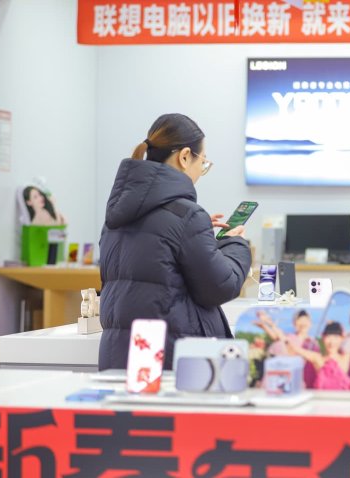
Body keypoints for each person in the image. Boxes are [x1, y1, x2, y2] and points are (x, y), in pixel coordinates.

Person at [98, 113, 252, 370]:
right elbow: (221, 286)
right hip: (172, 361)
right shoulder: (186, 216)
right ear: (184, 156)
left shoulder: (117, 215)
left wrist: (198, 234)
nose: (201, 172)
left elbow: (158, 259)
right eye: (203, 163)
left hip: (120, 358)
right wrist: (234, 244)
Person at [255, 309, 320, 387]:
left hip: (310, 381)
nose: (303, 323)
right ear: (294, 323)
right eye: (300, 320)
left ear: (310, 323)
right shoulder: (290, 338)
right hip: (292, 380)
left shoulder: (314, 343)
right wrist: (266, 325)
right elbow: (277, 337)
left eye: (305, 320)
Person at [287, 321, 350, 391]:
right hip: (321, 400)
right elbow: (294, 348)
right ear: (323, 338)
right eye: (328, 337)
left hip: (343, 400)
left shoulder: (346, 356)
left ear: (341, 338)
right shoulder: (317, 358)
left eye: (336, 337)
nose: (332, 342)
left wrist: (336, 326)